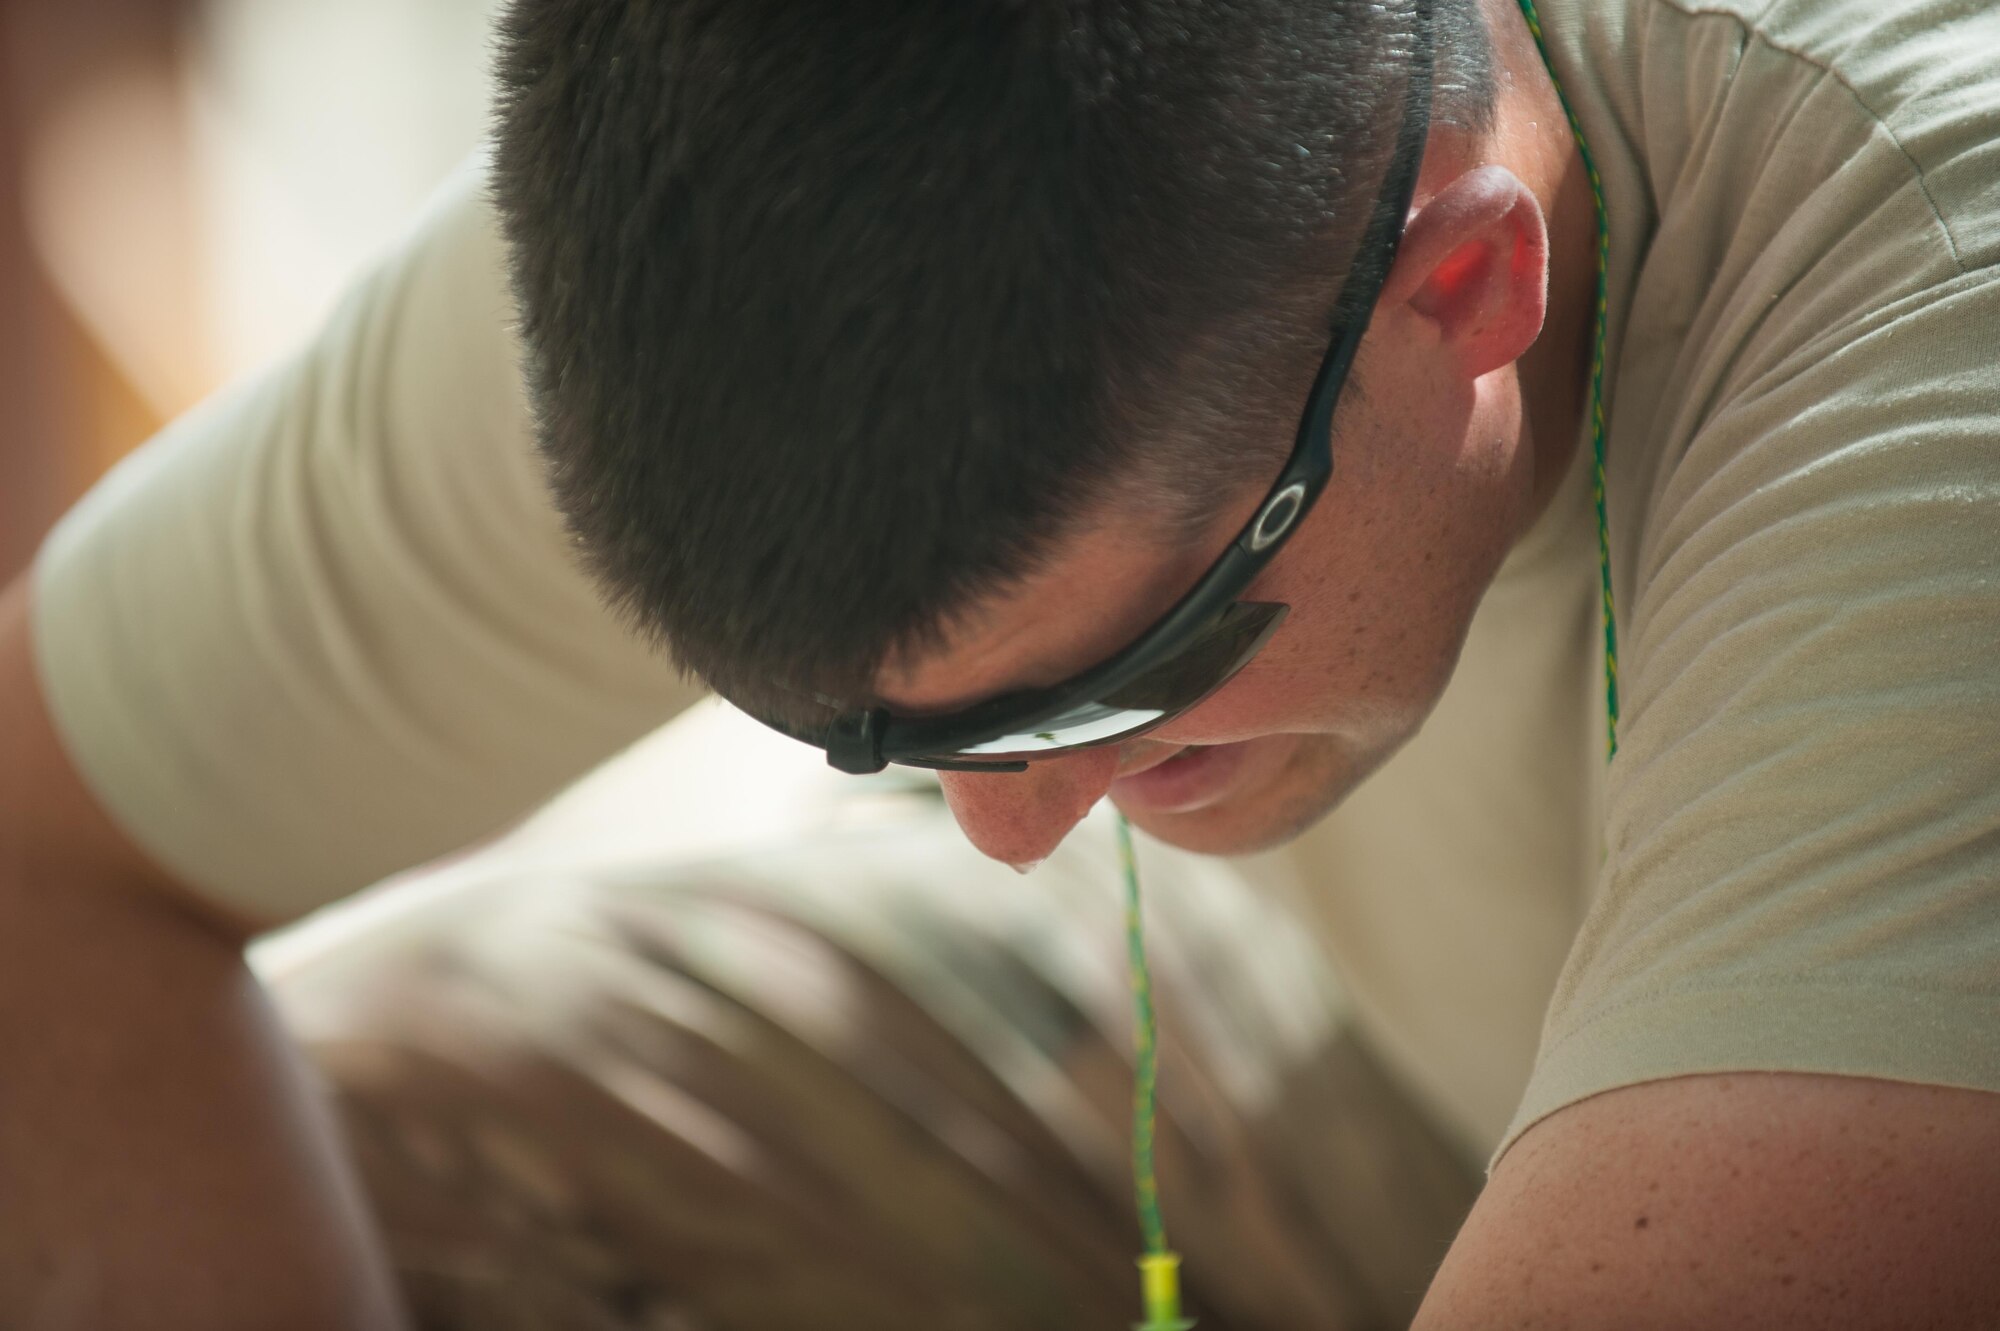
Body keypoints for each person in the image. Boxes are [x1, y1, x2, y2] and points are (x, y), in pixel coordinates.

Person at [1, 0, 1995, 1323]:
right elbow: (48, 872)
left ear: (1463, 286)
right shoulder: (750, 230)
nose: (1007, 831)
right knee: (355, 1136)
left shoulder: (1926, 327)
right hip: (1350, 1044)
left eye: (1106, 688)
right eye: (867, 735)